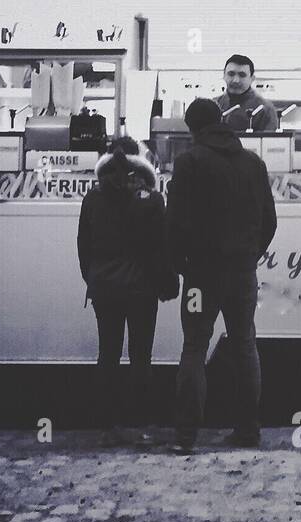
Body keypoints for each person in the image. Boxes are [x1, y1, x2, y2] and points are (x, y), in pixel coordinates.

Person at [167, 98, 277, 453]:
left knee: (195, 346)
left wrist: (182, 264)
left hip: (201, 276)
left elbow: (176, 220)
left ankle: (186, 436)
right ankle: (248, 429)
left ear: (192, 128)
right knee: (244, 343)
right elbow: (269, 221)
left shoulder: (189, 162)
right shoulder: (253, 163)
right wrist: (250, 256)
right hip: (243, 274)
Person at [77, 142, 177, 445]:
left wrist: (94, 279)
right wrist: (166, 284)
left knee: (107, 354)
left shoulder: (92, 199)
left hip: (104, 289)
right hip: (141, 289)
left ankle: (106, 425)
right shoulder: (153, 201)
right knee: (140, 356)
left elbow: (84, 247)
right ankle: (139, 424)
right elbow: (161, 249)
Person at [215, 54, 279, 132]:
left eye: (242, 75)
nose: (236, 80)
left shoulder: (265, 110)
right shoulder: (214, 105)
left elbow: (268, 142)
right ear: (224, 76)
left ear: (252, 79)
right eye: (231, 74)